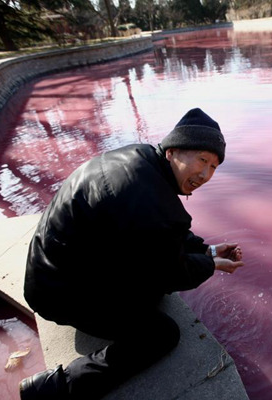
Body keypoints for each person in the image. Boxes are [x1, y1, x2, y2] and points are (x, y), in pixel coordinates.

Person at [20, 108, 244, 400]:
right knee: (160, 334)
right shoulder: (150, 202)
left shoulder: (140, 161)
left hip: (52, 270)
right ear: (173, 151)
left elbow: (162, 234)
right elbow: (174, 273)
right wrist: (212, 263)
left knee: (153, 288)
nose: (205, 174)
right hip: (61, 294)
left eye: (214, 166)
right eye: (202, 159)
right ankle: (55, 387)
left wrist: (206, 248)